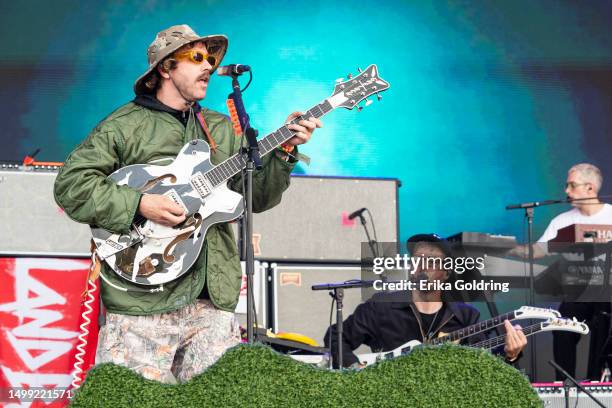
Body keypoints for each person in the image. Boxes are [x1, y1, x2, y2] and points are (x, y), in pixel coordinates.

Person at [54, 24, 322, 384]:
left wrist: (286, 149)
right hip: (142, 303)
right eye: (196, 57)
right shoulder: (123, 126)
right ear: (165, 68)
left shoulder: (220, 128)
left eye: (211, 59)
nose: (208, 66)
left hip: (212, 301)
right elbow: (72, 185)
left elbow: (256, 196)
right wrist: (139, 203)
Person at [325, 234, 527, 368]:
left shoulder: (466, 316)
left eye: (431, 260)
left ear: (446, 272)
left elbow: (487, 365)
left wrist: (511, 354)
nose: (422, 265)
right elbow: (335, 337)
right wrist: (354, 368)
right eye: (417, 258)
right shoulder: (381, 306)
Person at [538, 163, 611, 380]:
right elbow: (537, 251)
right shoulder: (562, 221)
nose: (566, 191)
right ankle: (564, 385)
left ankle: (596, 383)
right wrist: (506, 246)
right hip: (578, 293)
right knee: (560, 325)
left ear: (590, 188)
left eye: (571, 185)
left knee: (603, 327)